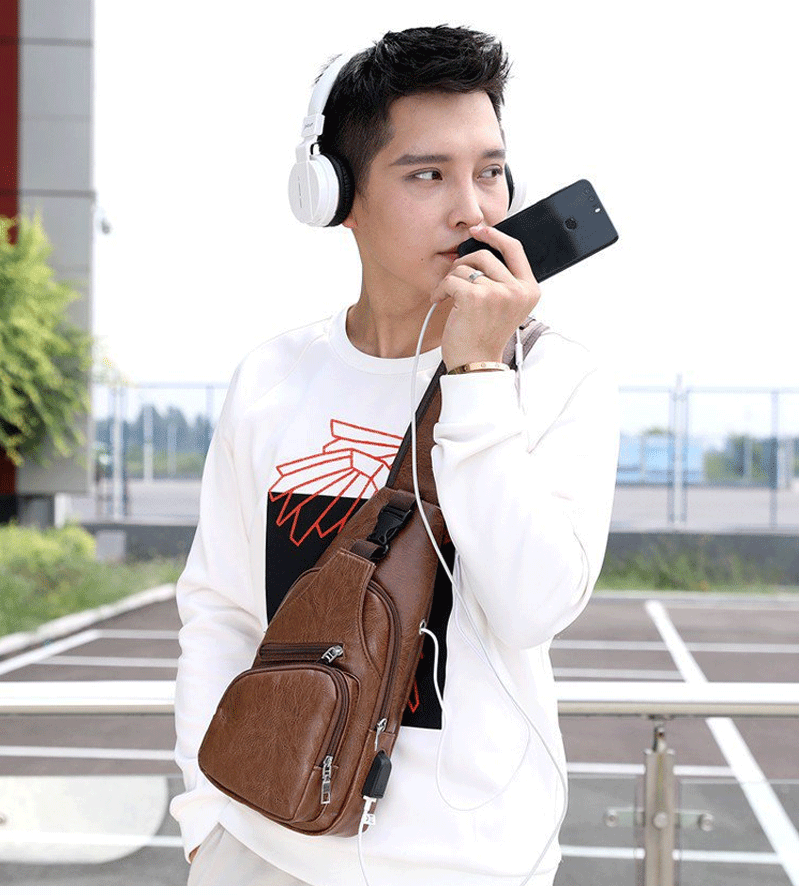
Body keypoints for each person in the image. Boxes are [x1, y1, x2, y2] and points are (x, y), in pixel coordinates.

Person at [170, 24, 620, 886]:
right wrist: (205, 819)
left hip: (471, 869)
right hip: (262, 849)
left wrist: (478, 374)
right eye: (427, 174)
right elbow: (221, 610)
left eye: (490, 170)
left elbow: (532, 607)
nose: (473, 210)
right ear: (337, 194)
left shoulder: (553, 377)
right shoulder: (272, 377)